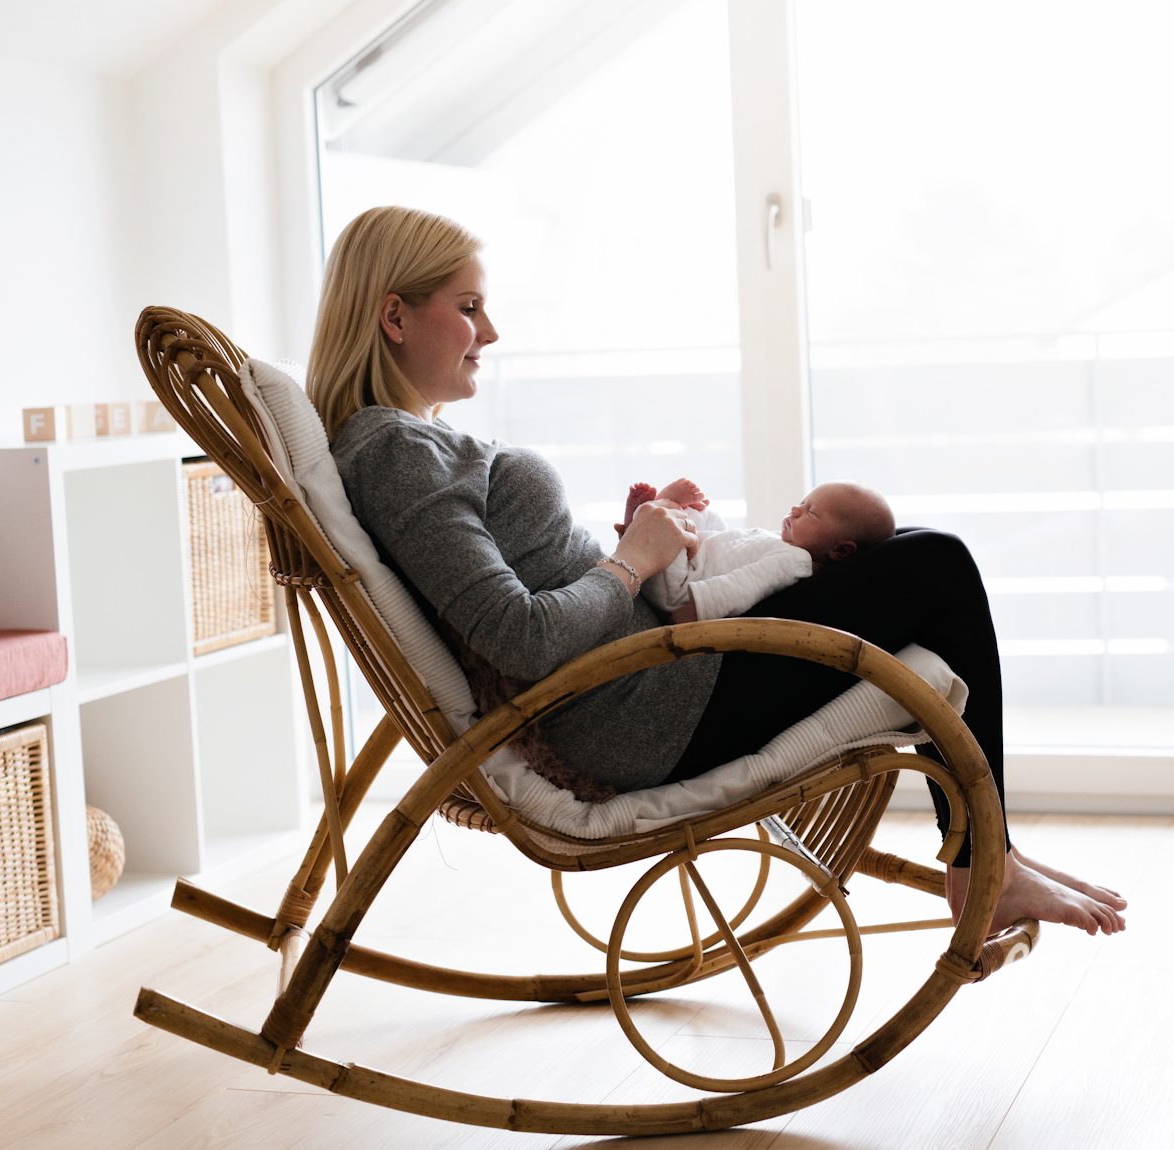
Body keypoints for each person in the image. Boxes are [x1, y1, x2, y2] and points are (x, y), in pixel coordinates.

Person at [309, 205, 1127, 937]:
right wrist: (633, 562)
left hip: (660, 679)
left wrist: (647, 550)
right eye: (468, 307)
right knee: (934, 564)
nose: (489, 332)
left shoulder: (408, 448)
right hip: (646, 708)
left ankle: (989, 855)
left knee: (903, 546)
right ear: (394, 316)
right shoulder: (397, 455)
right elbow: (519, 637)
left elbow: (521, 603)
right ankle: (986, 866)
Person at [620, 476, 894, 624]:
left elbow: (742, 586)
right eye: (802, 502)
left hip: (679, 591)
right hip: (692, 565)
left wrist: (692, 611)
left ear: (841, 551)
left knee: (677, 528)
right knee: (713, 523)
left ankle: (656, 511)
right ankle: (654, 517)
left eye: (811, 512)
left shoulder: (794, 561)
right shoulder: (786, 545)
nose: (795, 509)